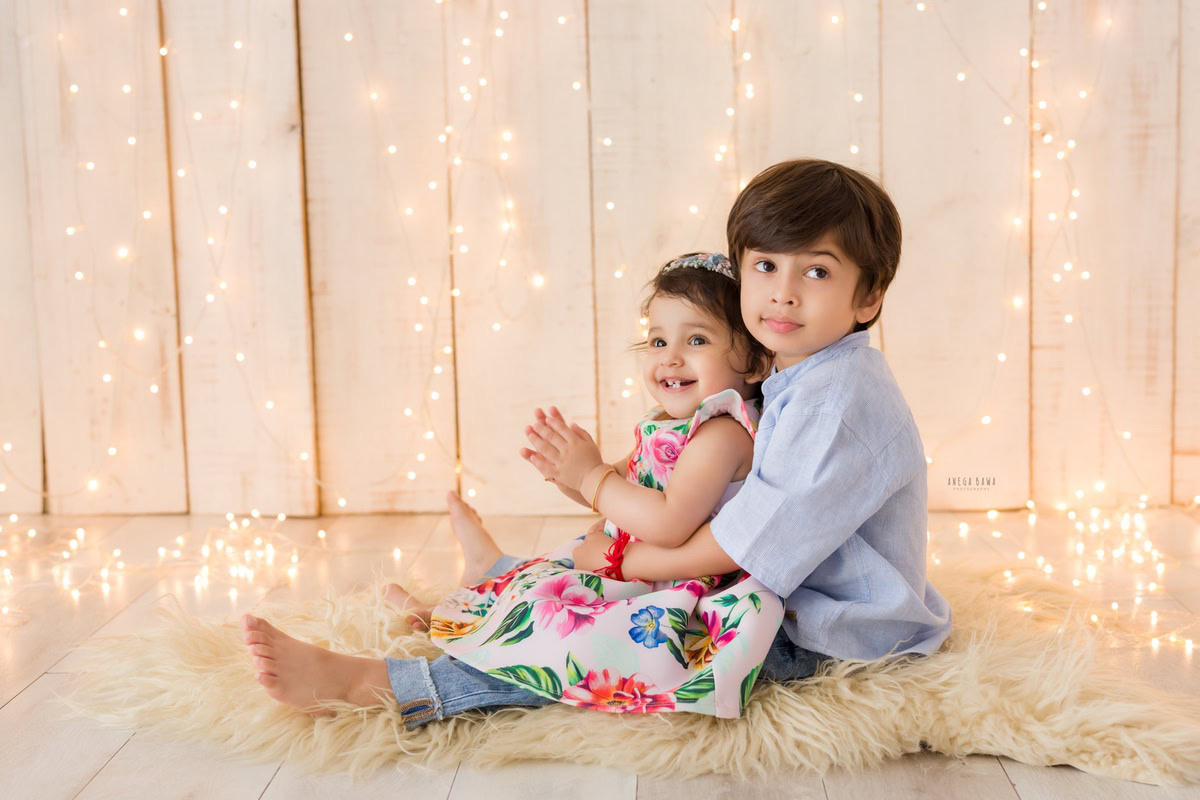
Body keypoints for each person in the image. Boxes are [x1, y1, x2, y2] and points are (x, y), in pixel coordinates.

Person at [240, 158, 952, 723]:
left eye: (817, 271)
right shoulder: (798, 371)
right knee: (586, 575)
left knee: (616, 643)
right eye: (765, 266)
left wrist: (624, 557)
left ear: (868, 297)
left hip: (826, 633)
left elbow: (741, 545)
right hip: (775, 588)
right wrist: (611, 536)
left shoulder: (837, 407)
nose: (783, 292)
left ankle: (396, 687)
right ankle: (490, 588)